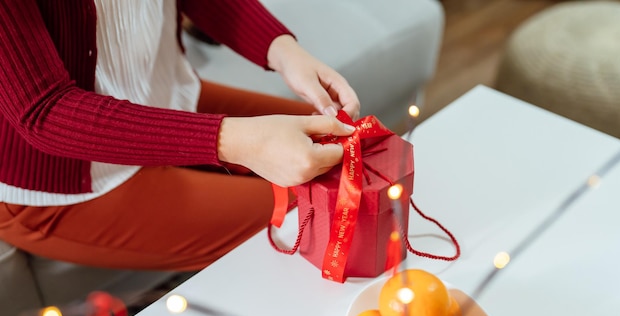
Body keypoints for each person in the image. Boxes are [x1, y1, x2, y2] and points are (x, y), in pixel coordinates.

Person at [0, 0, 360, 272]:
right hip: (58, 178)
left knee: (357, 151)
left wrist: (283, 50)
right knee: (328, 220)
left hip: (165, 98)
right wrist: (236, 140)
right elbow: (43, 110)